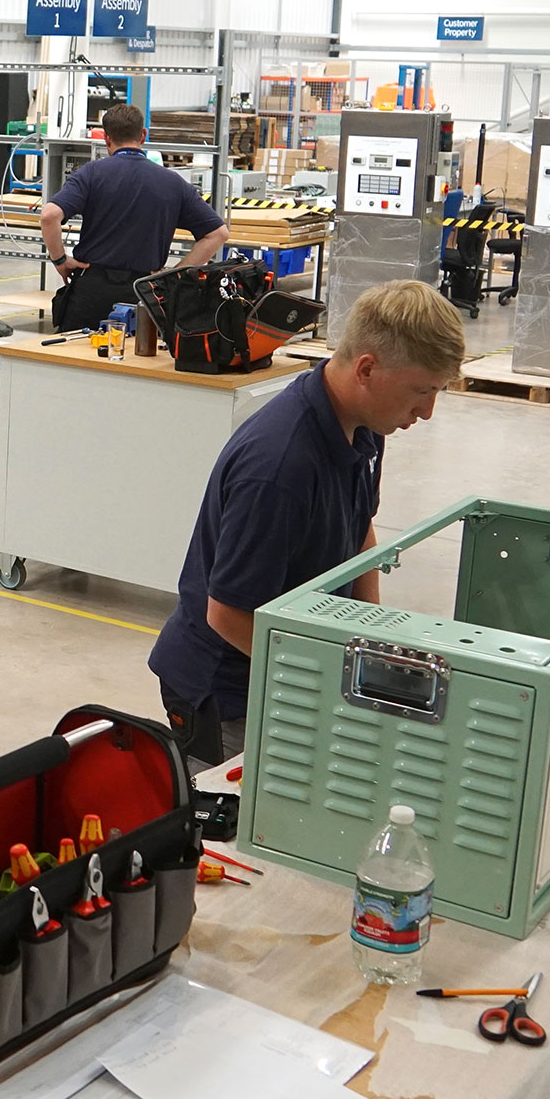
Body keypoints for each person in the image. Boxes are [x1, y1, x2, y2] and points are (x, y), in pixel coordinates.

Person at [148, 279, 466, 766]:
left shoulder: (364, 424)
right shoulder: (279, 468)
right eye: (421, 391)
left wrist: (370, 636)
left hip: (295, 658)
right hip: (230, 689)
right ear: (366, 369)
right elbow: (228, 613)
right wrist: (330, 681)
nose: (426, 412)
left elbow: (360, 529)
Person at [38, 103, 229, 332]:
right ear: (143, 135)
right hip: (144, 294)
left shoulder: (90, 174)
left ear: (107, 138)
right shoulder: (173, 183)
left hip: (91, 291)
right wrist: (174, 275)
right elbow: (218, 234)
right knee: (139, 352)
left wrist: (60, 260)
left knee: (77, 352)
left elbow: (49, 216)